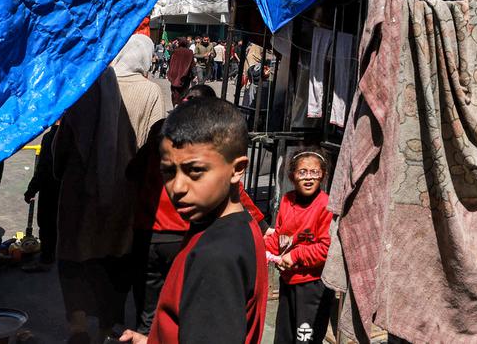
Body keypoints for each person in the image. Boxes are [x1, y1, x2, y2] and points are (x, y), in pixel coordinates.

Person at [120, 98, 268, 344]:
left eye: (195, 171)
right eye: (168, 171)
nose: (177, 187)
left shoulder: (216, 257)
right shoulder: (234, 226)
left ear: (238, 169)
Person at [55, 35, 165, 343]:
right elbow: (155, 142)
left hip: (78, 191)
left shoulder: (89, 83)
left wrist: (60, 174)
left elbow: (62, 144)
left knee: (75, 254)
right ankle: (109, 327)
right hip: (124, 189)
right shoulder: (150, 91)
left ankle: (77, 326)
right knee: (114, 259)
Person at [265, 151, 335, 344]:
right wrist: (262, 249)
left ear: (323, 175)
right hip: (288, 281)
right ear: (292, 176)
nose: (309, 178)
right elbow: (280, 236)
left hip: (313, 285)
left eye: (314, 172)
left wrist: (296, 255)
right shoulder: (287, 201)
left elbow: (326, 248)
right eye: (302, 172)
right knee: (284, 336)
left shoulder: (326, 206)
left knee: (305, 338)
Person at [23, 121, 61, 270]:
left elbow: (43, 169)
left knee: (47, 224)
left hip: (51, 188)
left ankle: (47, 259)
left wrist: (31, 190)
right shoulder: (77, 136)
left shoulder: (50, 138)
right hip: (67, 190)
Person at [166, 39, 195, 105]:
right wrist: (193, 74)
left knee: (175, 91)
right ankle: (181, 104)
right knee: (183, 91)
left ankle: (175, 104)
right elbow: (192, 64)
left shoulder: (175, 51)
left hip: (175, 75)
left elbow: (170, 62)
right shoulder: (189, 52)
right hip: (186, 75)